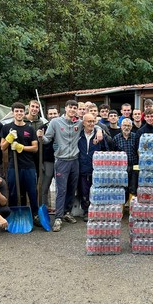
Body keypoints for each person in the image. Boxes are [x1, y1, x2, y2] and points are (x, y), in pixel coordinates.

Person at [41, 99, 103, 232]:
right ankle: (58, 217)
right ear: (65, 108)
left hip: (75, 160)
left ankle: (67, 212)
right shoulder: (55, 122)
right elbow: (47, 139)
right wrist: (41, 137)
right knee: (61, 190)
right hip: (61, 160)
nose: (73, 109)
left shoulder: (79, 123)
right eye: (71, 107)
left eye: (75, 107)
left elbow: (91, 123)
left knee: (72, 188)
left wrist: (98, 130)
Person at [0, 102, 39, 224]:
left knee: (32, 192)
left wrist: (21, 147)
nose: (19, 113)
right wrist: (9, 138)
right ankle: (12, 216)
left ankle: (35, 215)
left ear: (24, 113)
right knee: (12, 191)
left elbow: (35, 148)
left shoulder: (29, 128)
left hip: (28, 166)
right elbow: (2, 147)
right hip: (13, 166)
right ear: (13, 112)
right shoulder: (7, 128)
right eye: (16, 111)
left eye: (21, 111)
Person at [78, 113, 109, 221]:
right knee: (84, 191)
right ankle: (86, 211)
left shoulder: (99, 135)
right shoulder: (78, 134)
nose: (91, 123)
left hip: (96, 169)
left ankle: (96, 211)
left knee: (96, 191)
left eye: (93, 121)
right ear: (83, 123)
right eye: (89, 121)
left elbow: (106, 150)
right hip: (82, 168)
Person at [114, 118, 139, 203]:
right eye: (124, 125)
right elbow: (113, 153)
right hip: (121, 169)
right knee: (122, 188)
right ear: (121, 126)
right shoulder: (116, 138)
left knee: (133, 188)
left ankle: (131, 208)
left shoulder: (135, 137)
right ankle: (122, 207)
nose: (126, 127)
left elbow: (139, 151)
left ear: (131, 127)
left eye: (128, 126)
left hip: (133, 167)